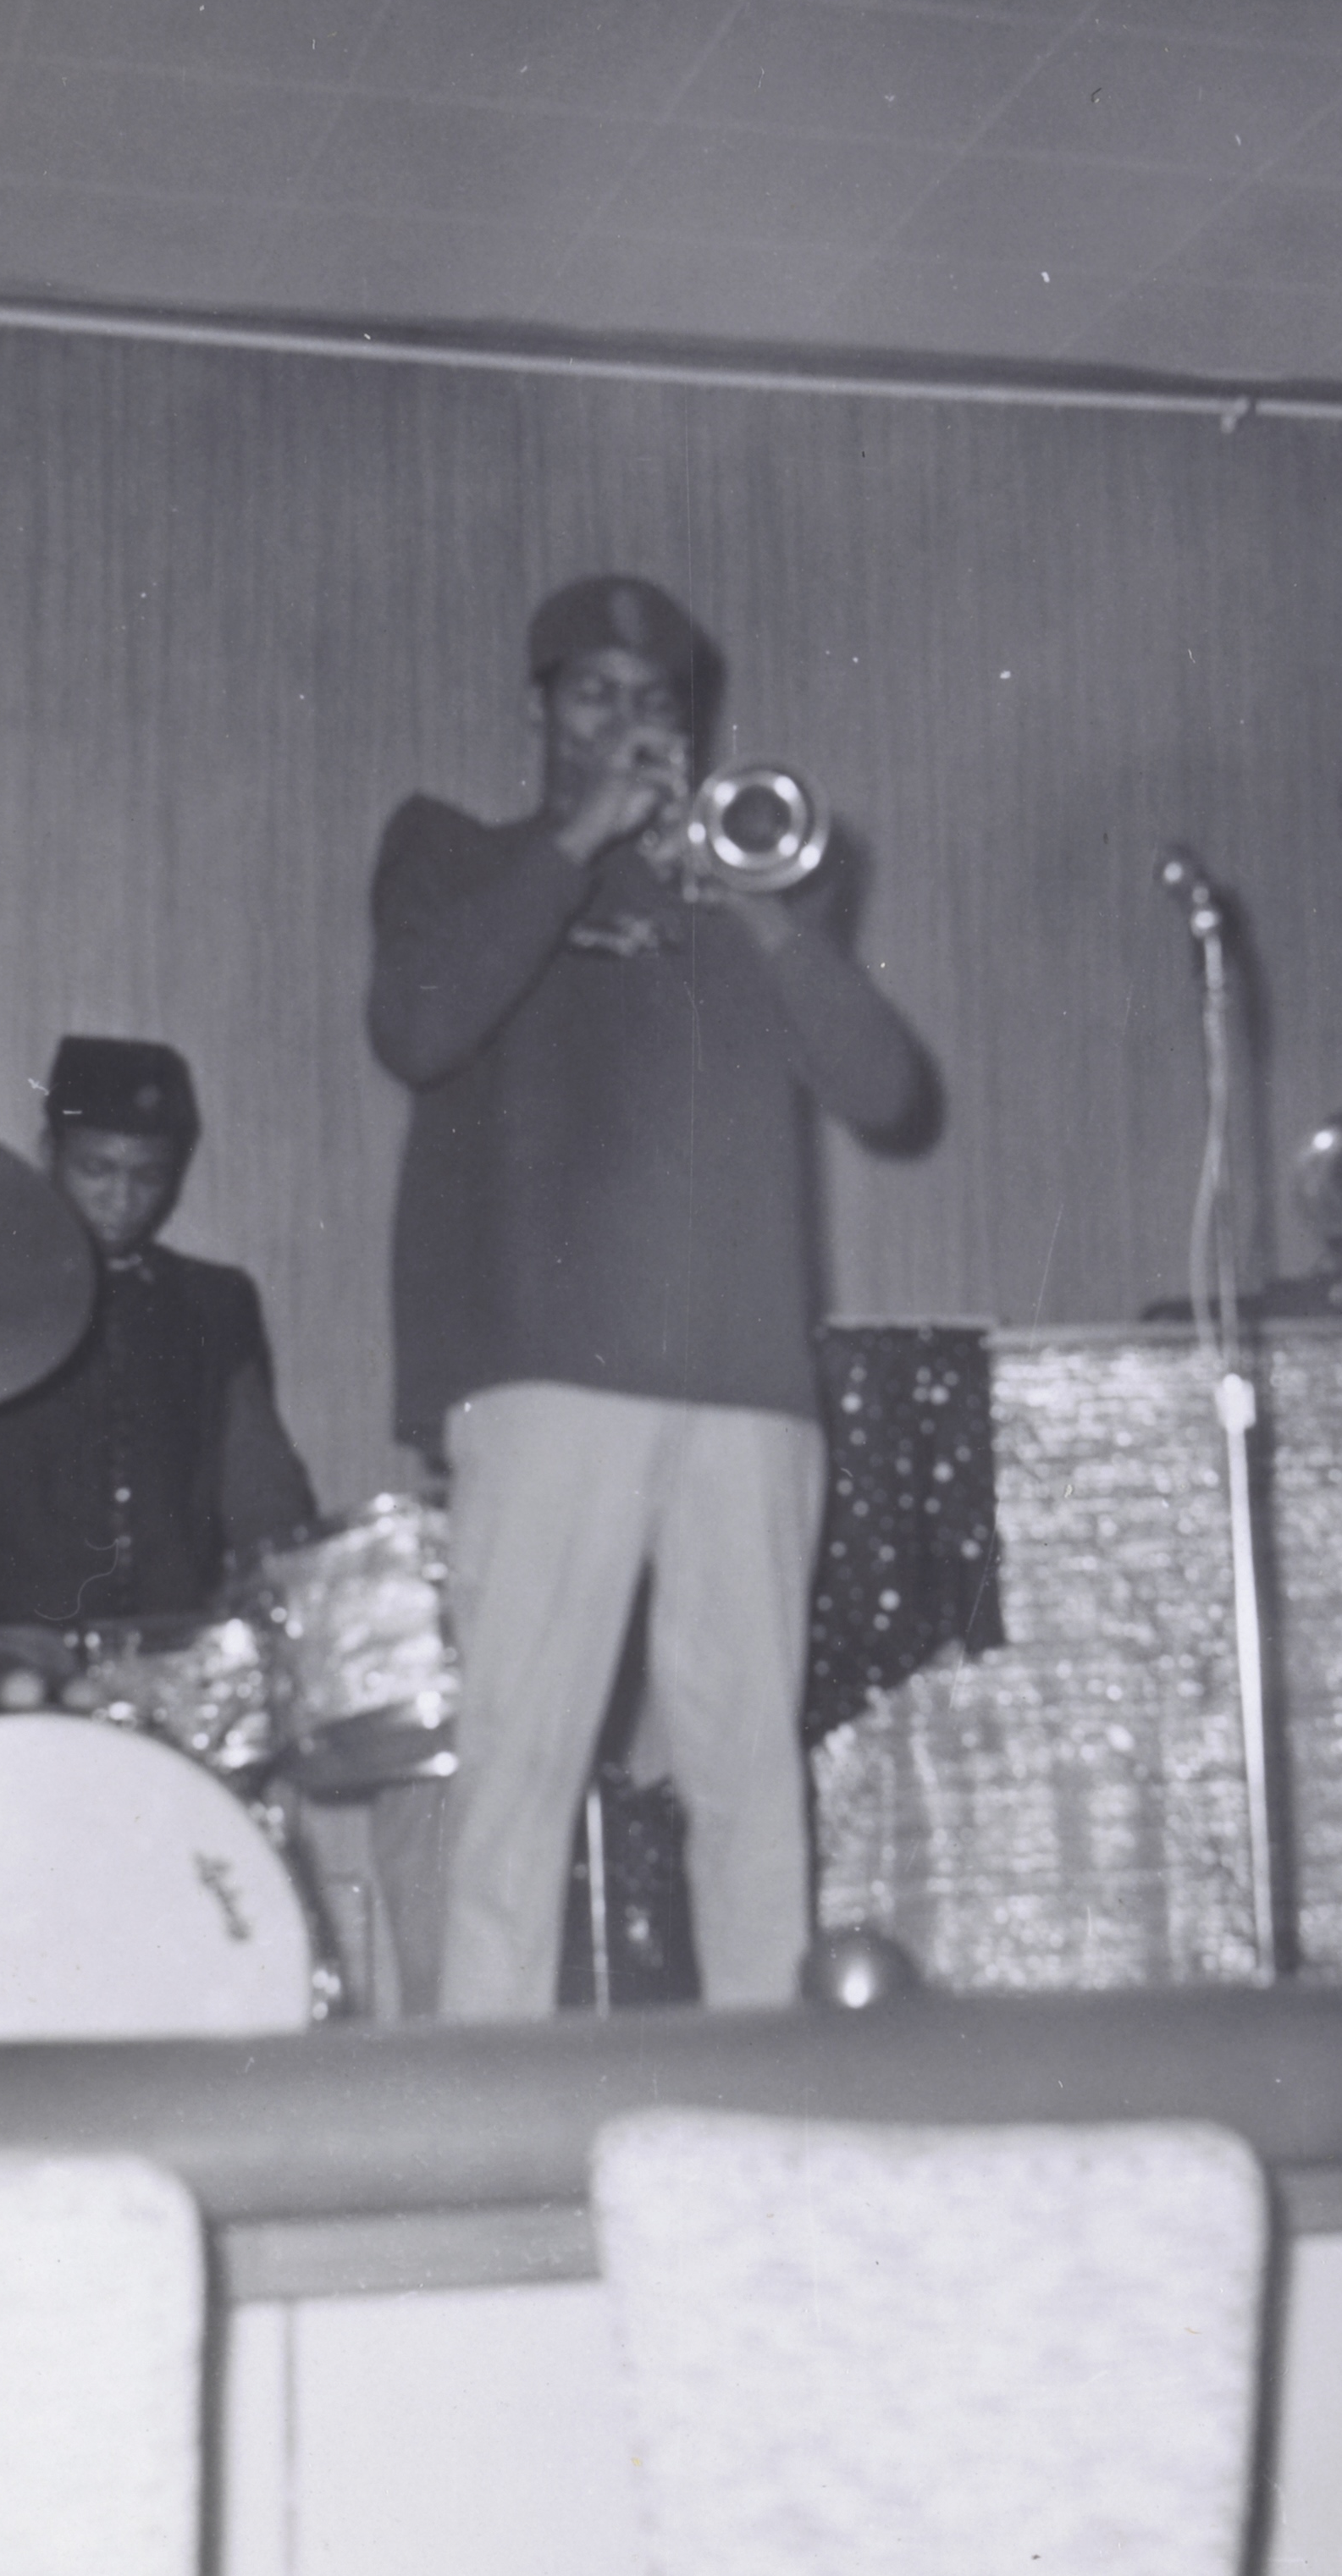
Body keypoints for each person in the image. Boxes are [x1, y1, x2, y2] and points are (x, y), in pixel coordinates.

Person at [368, 572, 929, 2019]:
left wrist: (761, 917)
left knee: (750, 1782)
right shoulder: (453, 852)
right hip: (548, 1366)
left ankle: (768, 2103)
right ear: (538, 709)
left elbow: (883, 1089)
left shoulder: (761, 876)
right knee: (520, 1778)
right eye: (592, 696)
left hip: (745, 1381)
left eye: (653, 703)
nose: (626, 725)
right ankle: (492, 2115)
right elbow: (419, 1026)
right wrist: (577, 843)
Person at [0, 1035, 318, 1643]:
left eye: (148, 1176)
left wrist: (288, 1581)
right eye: (96, 1169)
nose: (123, 1200)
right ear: (50, 1151)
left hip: (171, 1653)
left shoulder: (215, 1303)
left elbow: (263, 1495)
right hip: (1, 1656)